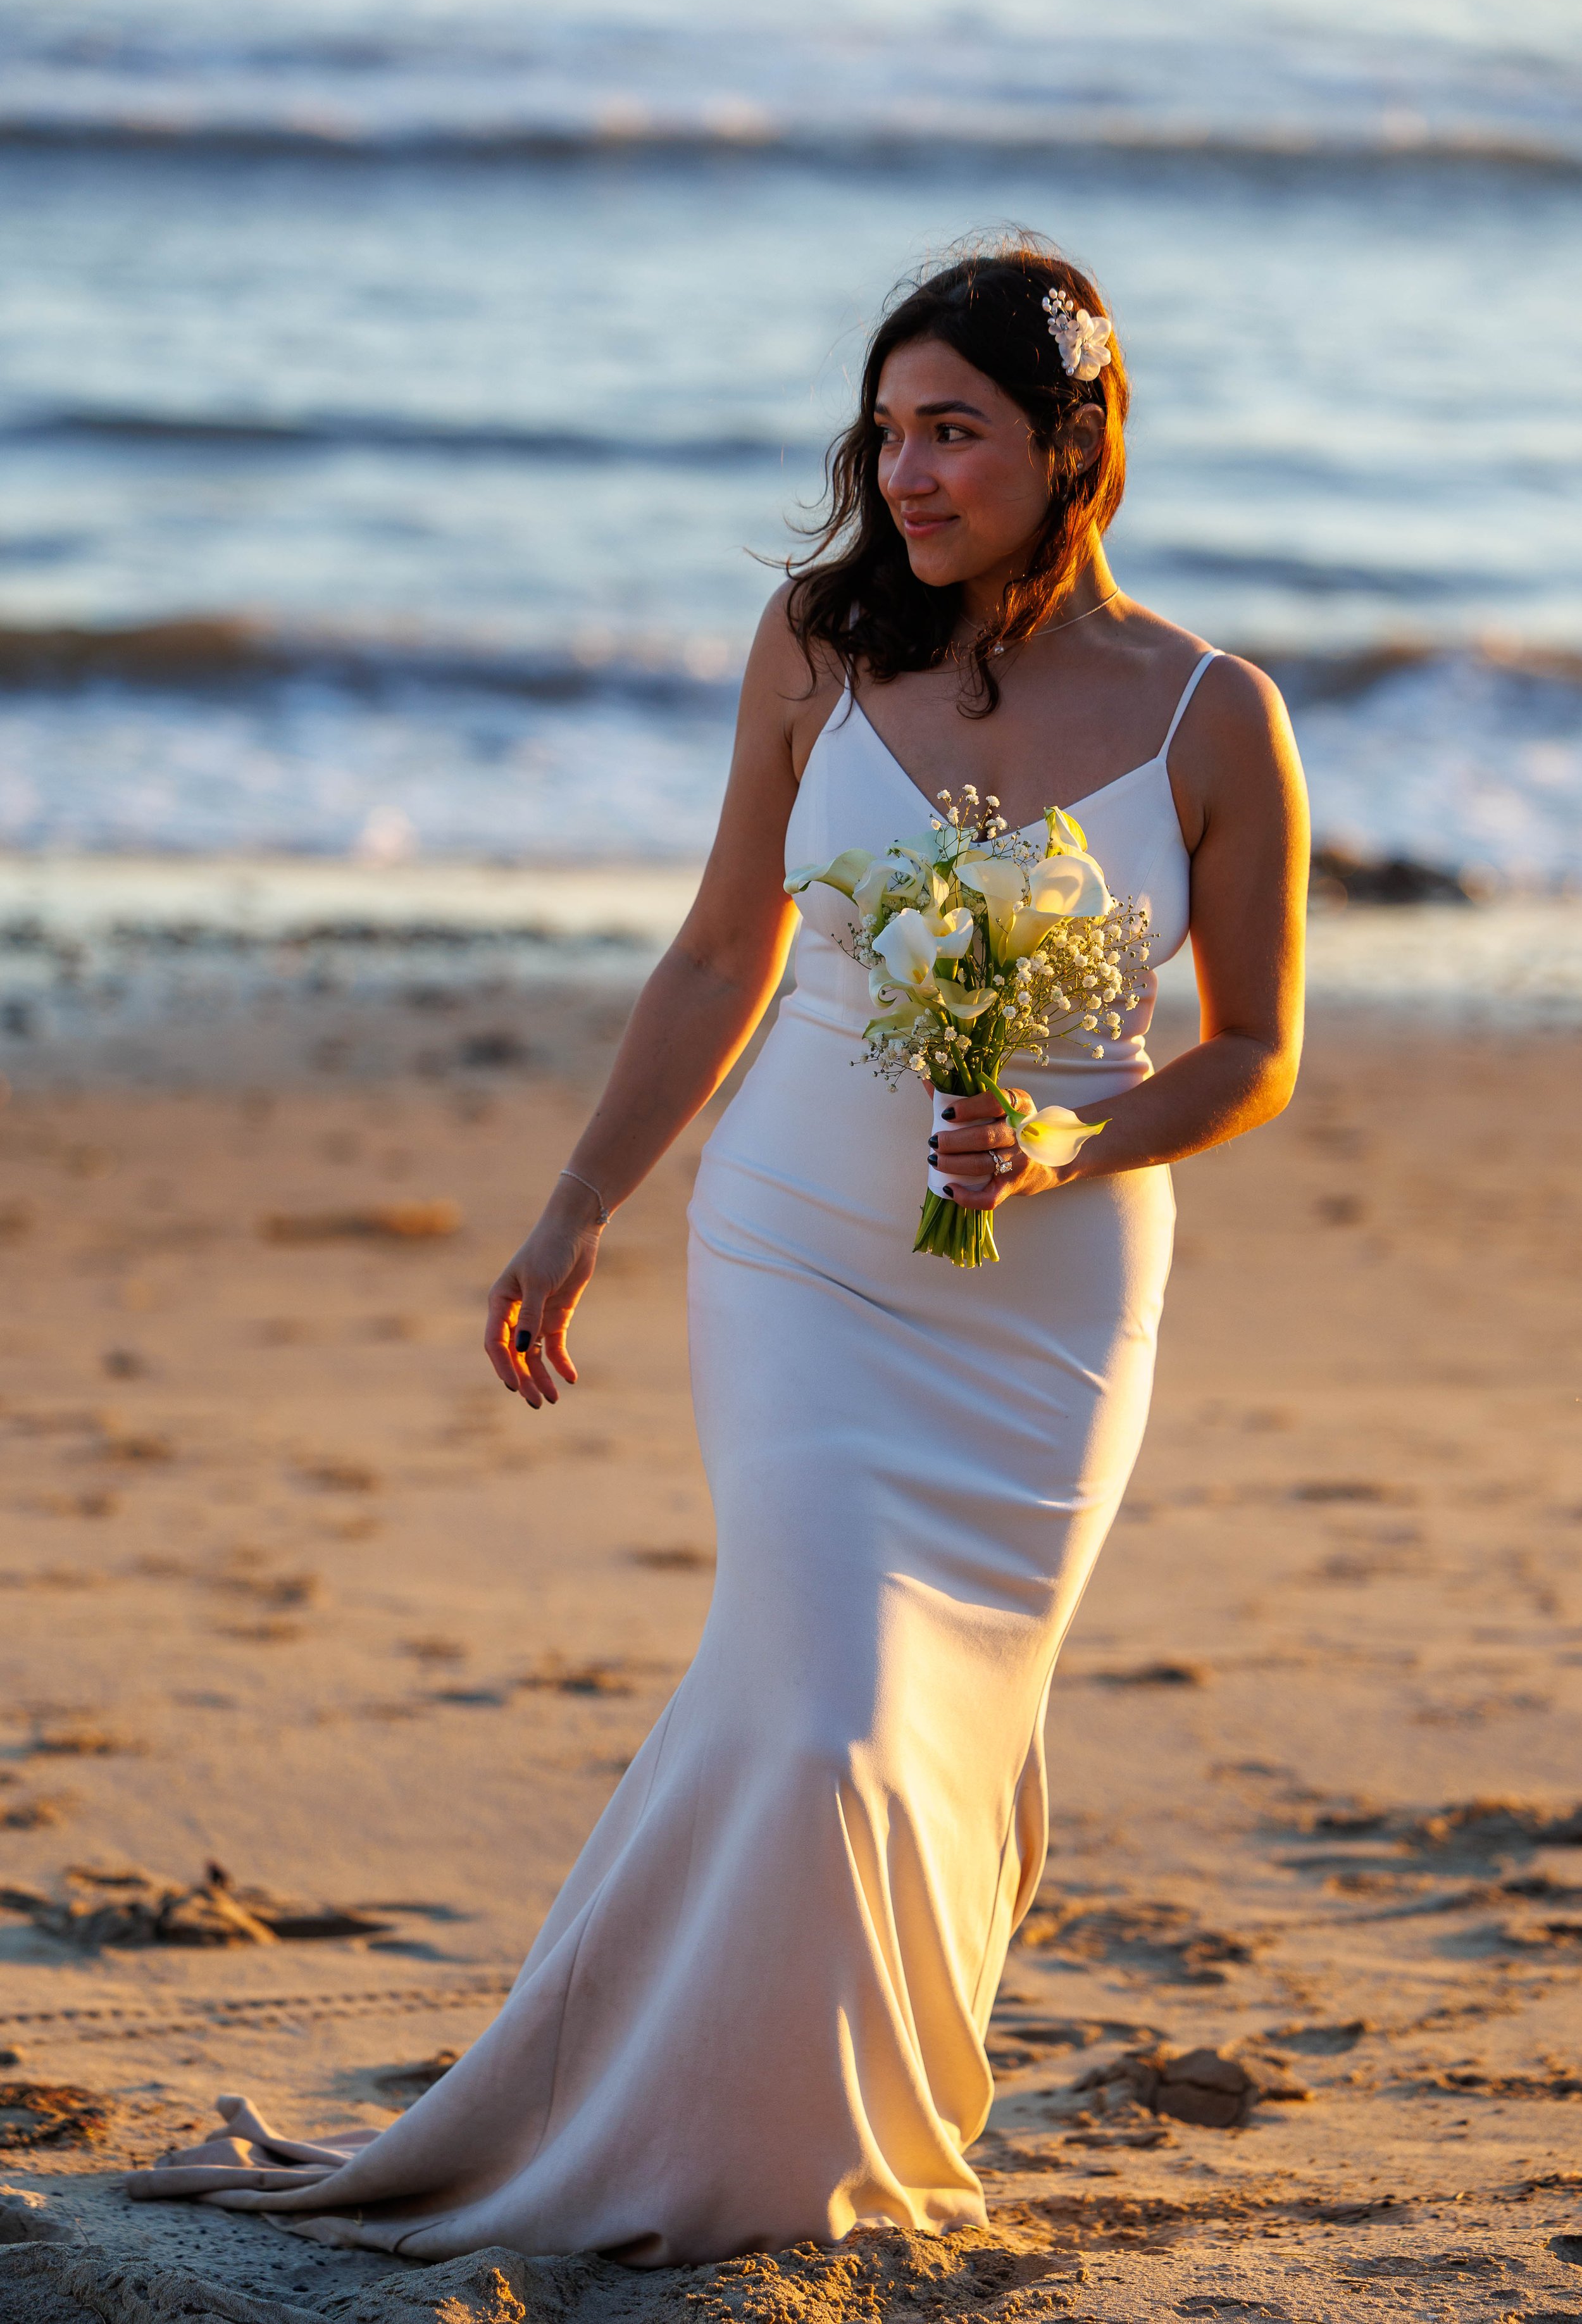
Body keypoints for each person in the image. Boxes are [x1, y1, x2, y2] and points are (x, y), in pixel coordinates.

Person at [128, 238, 1307, 2265]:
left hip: (1055, 1300)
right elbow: (717, 953)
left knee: (951, 1726)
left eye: (954, 431)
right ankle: (747, 2162)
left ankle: (864, 2105)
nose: (906, 471)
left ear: (1070, 447)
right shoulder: (812, 645)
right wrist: (580, 1200)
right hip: (795, 1246)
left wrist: (1062, 1137)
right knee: (829, 1708)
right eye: (887, 427)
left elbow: (1255, 1055)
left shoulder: (1212, 715)